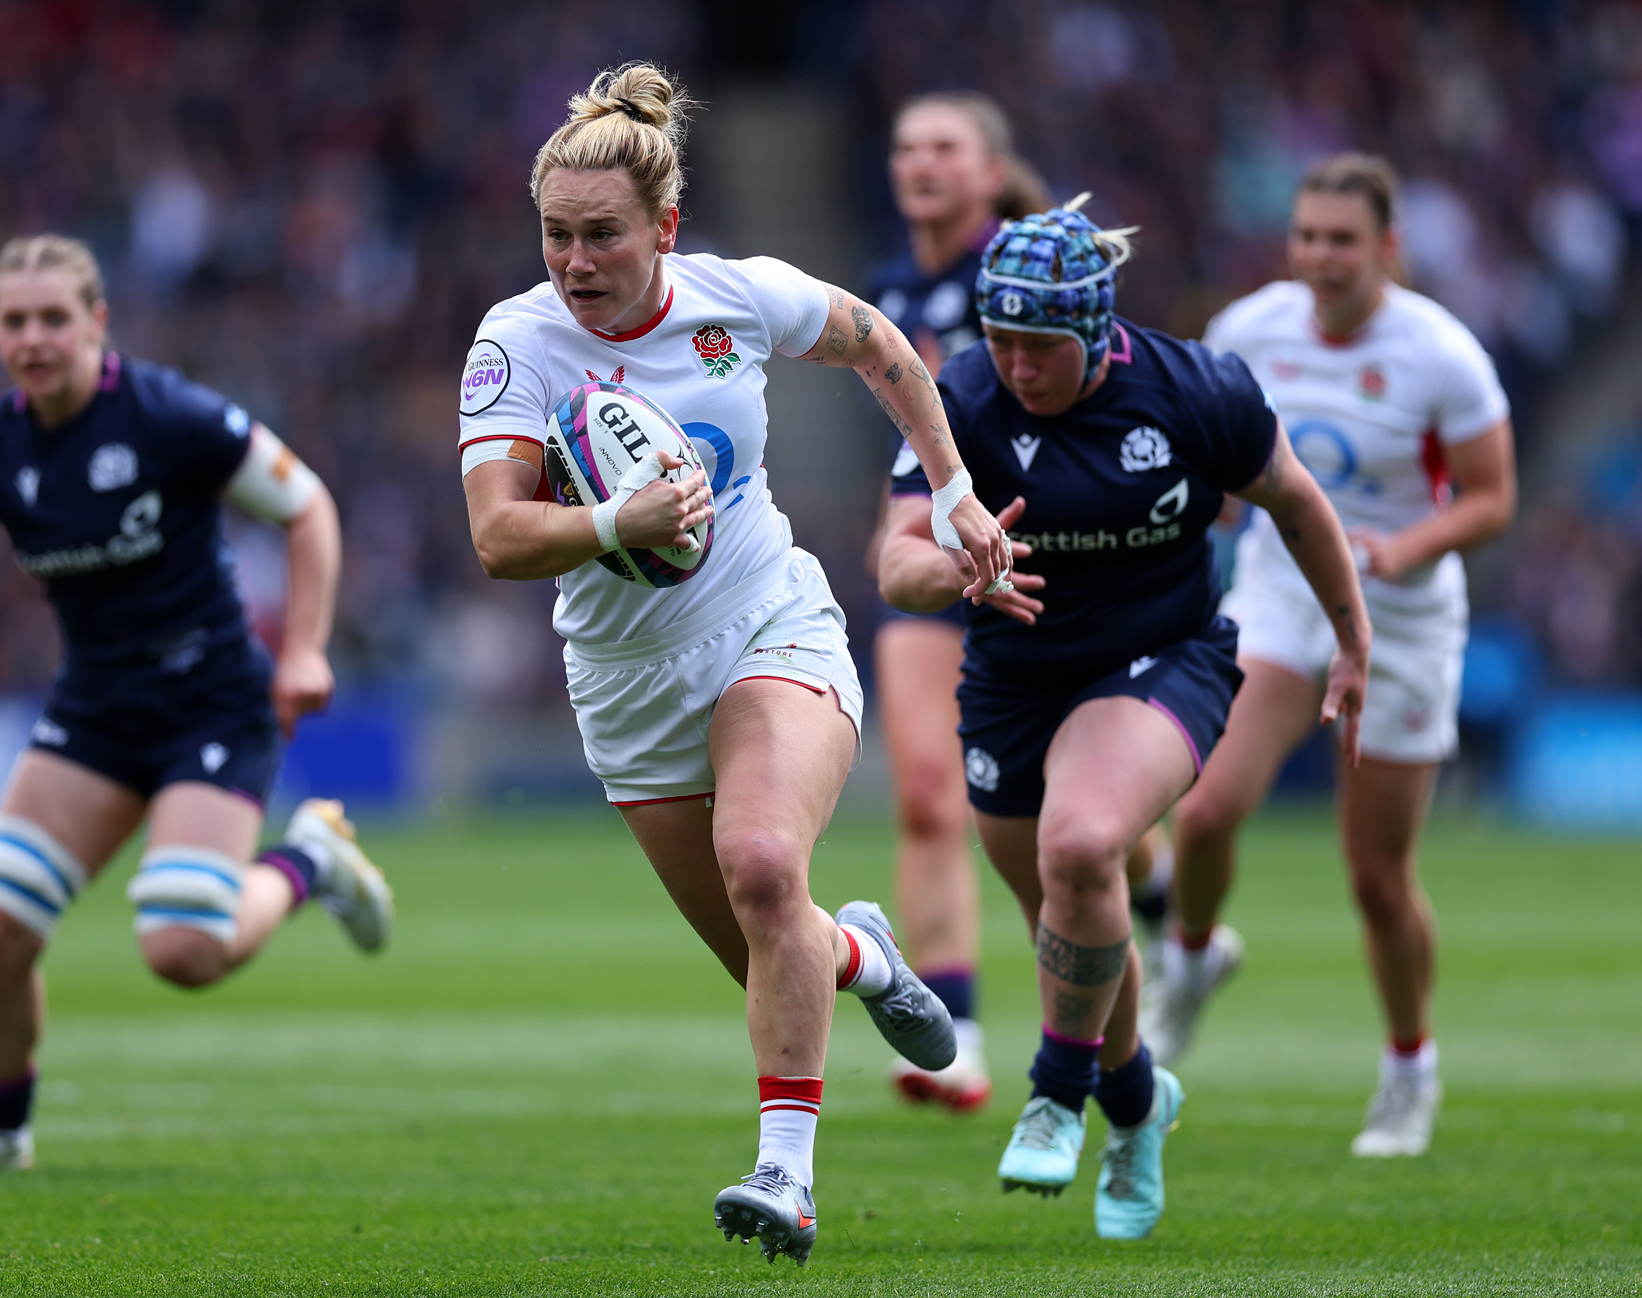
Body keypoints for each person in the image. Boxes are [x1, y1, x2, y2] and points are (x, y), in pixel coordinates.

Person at [457, 62, 1015, 1266]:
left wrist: (954, 491)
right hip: (623, 684)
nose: (572, 261)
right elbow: (498, 536)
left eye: (600, 235)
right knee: (775, 942)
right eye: (553, 235)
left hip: (768, 622)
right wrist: (619, 525)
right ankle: (861, 948)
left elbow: (882, 347)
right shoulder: (515, 342)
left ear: (663, 227)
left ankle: (784, 1178)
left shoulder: (739, 299)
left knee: (763, 863)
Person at [0, 235, 393, 1174]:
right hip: (94, 711)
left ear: (96, 322)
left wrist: (301, 646)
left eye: (54, 317)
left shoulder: (167, 412)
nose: (34, 337)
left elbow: (309, 508)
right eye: (15, 320)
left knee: (182, 949)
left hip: (211, 704)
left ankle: (308, 861)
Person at [880, 196, 1370, 1240]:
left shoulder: (1195, 390)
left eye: (1038, 346)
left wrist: (1352, 639)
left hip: (1166, 658)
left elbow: (1295, 503)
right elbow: (891, 562)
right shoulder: (959, 395)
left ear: (1096, 330)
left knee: (1085, 839)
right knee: (1072, 914)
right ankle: (1139, 1105)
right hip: (1013, 683)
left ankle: (1056, 1092)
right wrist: (957, 564)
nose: (1014, 364)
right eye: (1000, 339)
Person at [1149, 155, 1516, 1159]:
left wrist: (1403, 546)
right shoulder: (1248, 328)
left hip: (1400, 613)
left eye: (1339, 239)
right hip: (1281, 588)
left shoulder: (1440, 354)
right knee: (1209, 806)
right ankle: (1186, 962)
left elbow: (1490, 496)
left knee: (1374, 876)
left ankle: (1408, 1069)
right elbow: (1209, 456)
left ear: (1385, 248)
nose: (1317, 255)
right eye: (1305, 234)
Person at [863, 92, 1049, 1113]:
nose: (918, 163)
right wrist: (886, 523)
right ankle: (956, 1031)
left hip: (1033, 544)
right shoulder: (892, 283)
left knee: (1066, 802)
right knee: (929, 793)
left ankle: (1150, 898)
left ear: (989, 171)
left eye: (942, 146)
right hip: (932, 563)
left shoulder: (1026, 267)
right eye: (903, 147)